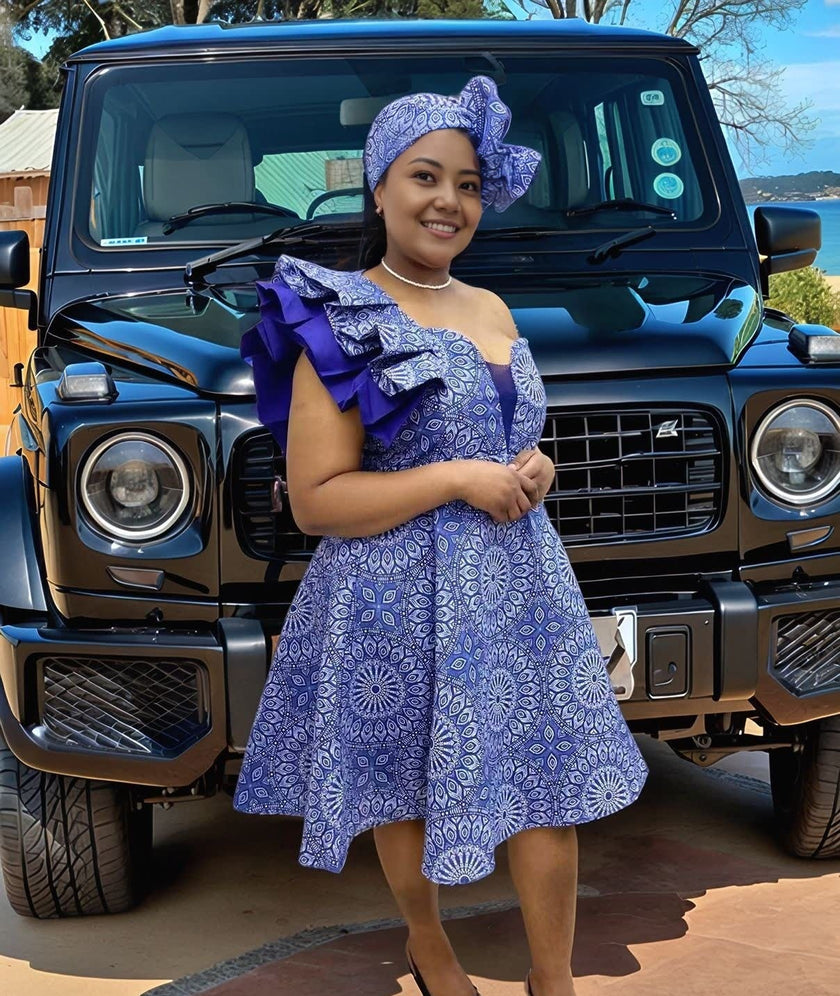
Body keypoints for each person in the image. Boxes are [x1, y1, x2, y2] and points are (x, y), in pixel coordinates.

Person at [233, 76, 649, 996]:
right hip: (392, 589)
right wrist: (459, 480)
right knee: (402, 783)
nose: (448, 202)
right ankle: (430, 946)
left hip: (517, 586)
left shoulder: (494, 310)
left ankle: (554, 979)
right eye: (425, 177)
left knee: (551, 783)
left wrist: (536, 465)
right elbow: (316, 500)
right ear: (378, 186)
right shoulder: (335, 314)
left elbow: (506, 437)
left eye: (467, 183)